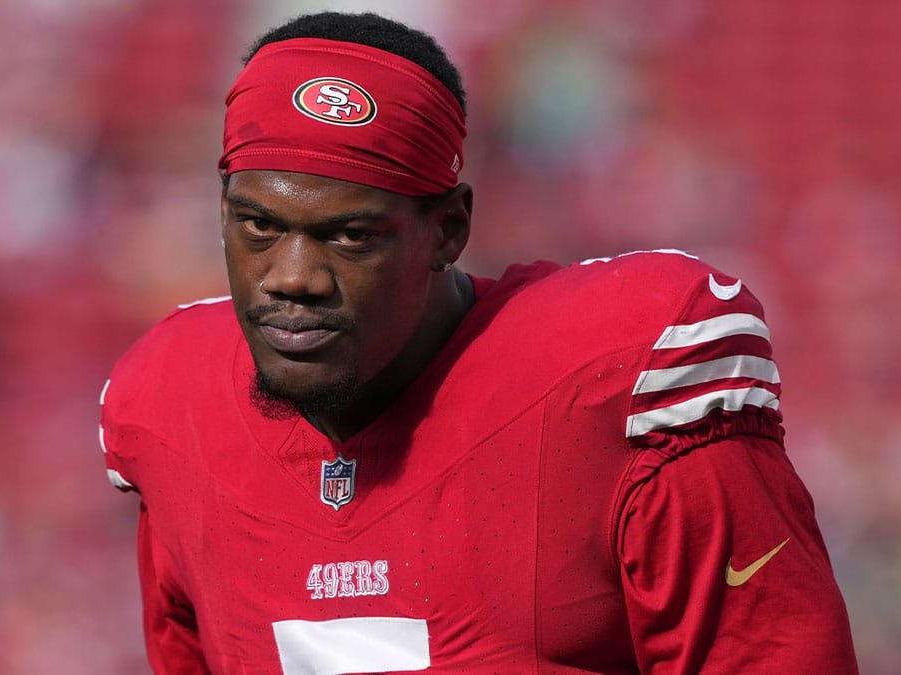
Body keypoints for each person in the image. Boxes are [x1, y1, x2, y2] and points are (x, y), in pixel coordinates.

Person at [99, 11, 858, 674]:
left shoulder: (615, 378)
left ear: (450, 231)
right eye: (260, 226)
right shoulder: (168, 405)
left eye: (351, 235)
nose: (292, 277)